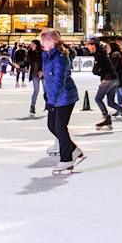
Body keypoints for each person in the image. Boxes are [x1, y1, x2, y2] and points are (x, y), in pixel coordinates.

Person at [41, 29, 84, 174]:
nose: (42, 43)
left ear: (52, 41)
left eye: (44, 40)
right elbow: (49, 80)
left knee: (60, 127)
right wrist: (47, 96)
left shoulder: (60, 57)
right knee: (52, 126)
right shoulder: (47, 56)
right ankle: (74, 150)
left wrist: (52, 100)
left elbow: (59, 81)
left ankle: (67, 160)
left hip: (65, 97)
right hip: (55, 97)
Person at [87, 38, 122, 130]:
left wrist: (98, 71)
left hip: (108, 79)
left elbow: (95, 71)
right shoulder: (102, 54)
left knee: (98, 99)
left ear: (94, 45)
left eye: (89, 45)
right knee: (111, 102)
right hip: (115, 79)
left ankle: (107, 118)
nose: (88, 47)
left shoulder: (99, 55)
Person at [27, 39, 44, 116]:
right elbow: (27, 62)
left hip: (43, 74)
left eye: (32, 44)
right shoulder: (30, 53)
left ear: (37, 45)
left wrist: (42, 71)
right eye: (31, 44)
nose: (31, 46)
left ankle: (50, 105)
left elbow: (46, 63)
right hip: (34, 74)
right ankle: (32, 106)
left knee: (46, 91)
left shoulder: (43, 53)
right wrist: (20, 65)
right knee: (36, 91)